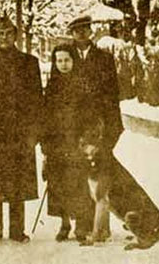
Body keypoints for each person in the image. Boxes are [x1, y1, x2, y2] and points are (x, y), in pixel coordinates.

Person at [0, 15, 44, 243]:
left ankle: (16, 230)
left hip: (19, 132)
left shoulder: (29, 62)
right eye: (0, 33)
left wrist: (34, 133)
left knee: (17, 181)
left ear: (15, 35)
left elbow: (36, 101)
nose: (3, 37)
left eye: (8, 33)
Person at [68, 15, 124, 241]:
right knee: (79, 176)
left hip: (99, 124)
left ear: (90, 31)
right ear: (71, 33)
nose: (81, 34)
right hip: (75, 125)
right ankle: (83, 225)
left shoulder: (104, 58)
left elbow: (112, 93)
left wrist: (112, 127)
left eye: (85, 29)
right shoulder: (65, 55)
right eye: (76, 30)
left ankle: (103, 227)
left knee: (101, 174)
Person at [41, 44, 96, 242]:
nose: (63, 64)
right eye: (59, 61)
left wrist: (87, 138)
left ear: (74, 61)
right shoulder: (52, 86)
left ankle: (82, 225)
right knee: (59, 184)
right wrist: (46, 145)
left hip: (77, 142)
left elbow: (91, 115)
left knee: (79, 184)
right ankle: (64, 223)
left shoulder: (83, 84)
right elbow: (45, 117)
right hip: (57, 143)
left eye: (67, 60)